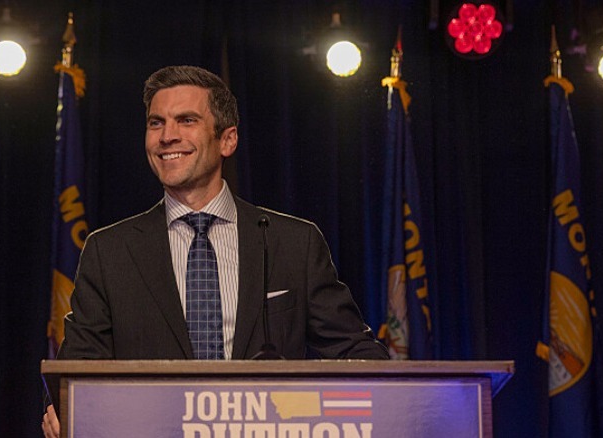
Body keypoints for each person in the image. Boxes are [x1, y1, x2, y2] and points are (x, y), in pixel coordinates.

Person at [42, 65, 388, 437]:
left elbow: (357, 355)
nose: (167, 136)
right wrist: (69, 409)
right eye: (156, 123)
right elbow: (79, 371)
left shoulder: (293, 243)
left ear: (227, 140)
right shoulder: (109, 251)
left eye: (186, 120)